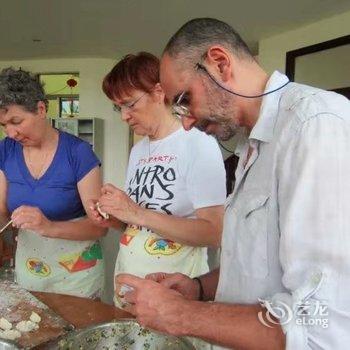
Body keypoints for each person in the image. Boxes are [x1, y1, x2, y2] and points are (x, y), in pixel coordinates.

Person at [116, 18, 350, 349]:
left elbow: (321, 323)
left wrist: (182, 315)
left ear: (220, 63)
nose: (186, 123)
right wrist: (199, 289)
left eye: (185, 99)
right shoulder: (249, 147)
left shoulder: (315, 126)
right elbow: (259, 268)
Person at [88, 52, 226, 306]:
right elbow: (137, 224)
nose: (124, 116)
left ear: (159, 91)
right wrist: (114, 216)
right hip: (131, 285)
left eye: (130, 104)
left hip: (174, 291)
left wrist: (135, 212)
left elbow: (214, 232)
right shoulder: (139, 150)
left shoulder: (198, 143)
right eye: (118, 107)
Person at [0, 68, 106, 298]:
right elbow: (2, 213)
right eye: (3, 125)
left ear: (40, 109)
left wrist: (48, 227)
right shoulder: (5, 151)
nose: (11, 133)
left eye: (16, 121)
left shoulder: (78, 153)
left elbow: (99, 227)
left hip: (78, 273)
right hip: (32, 267)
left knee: (80, 330)